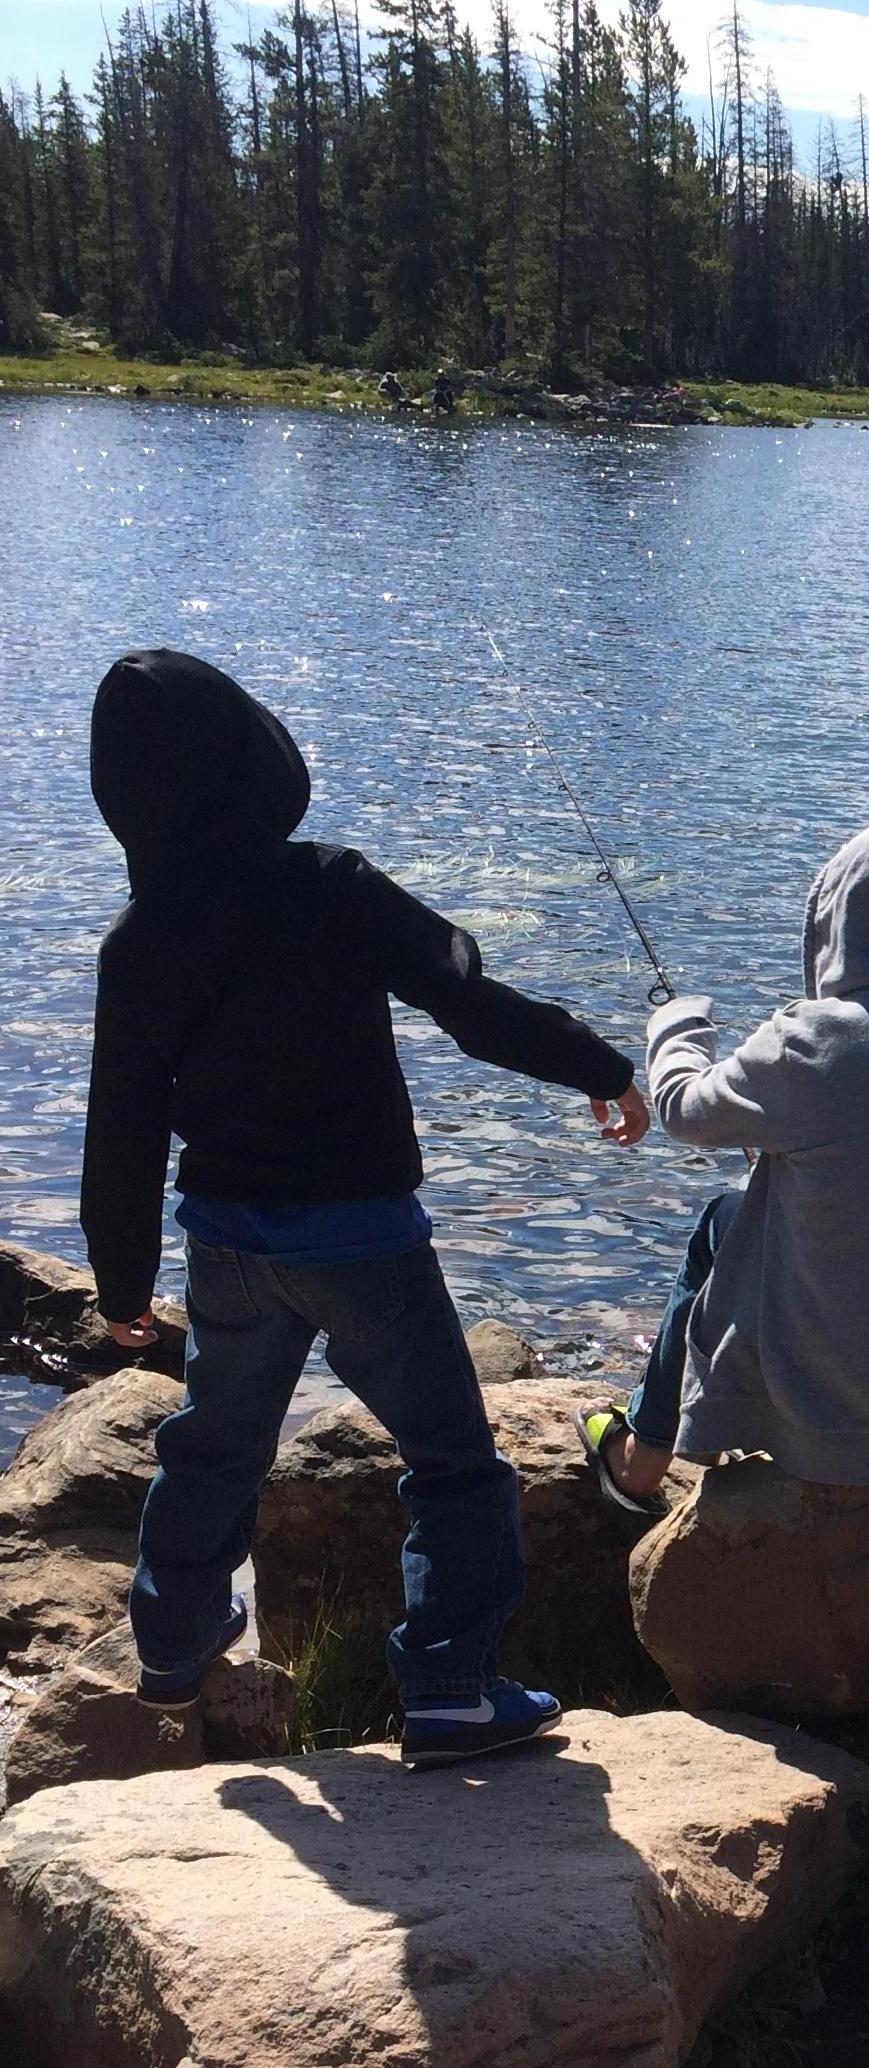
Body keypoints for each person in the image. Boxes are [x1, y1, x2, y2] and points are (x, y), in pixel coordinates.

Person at [81, 648, 648, 1762]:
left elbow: (122, 1128)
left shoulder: (138, 941)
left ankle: (172, 1640)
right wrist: (599, 1065)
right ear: (254, 761)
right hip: (364, 1241)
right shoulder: (331, 885)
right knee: (451, 1459)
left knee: (212, 1449)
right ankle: (448, 1682)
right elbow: (468, 1000)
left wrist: (120, 1281)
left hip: (230, 1245)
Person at [578, 802, 869, 1503]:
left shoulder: (820, 1038)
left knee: (720, 1221)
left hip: (838, 1383)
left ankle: (643, 1455)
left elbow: (684, 1108)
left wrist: (676, 1029)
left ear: (845, 917)